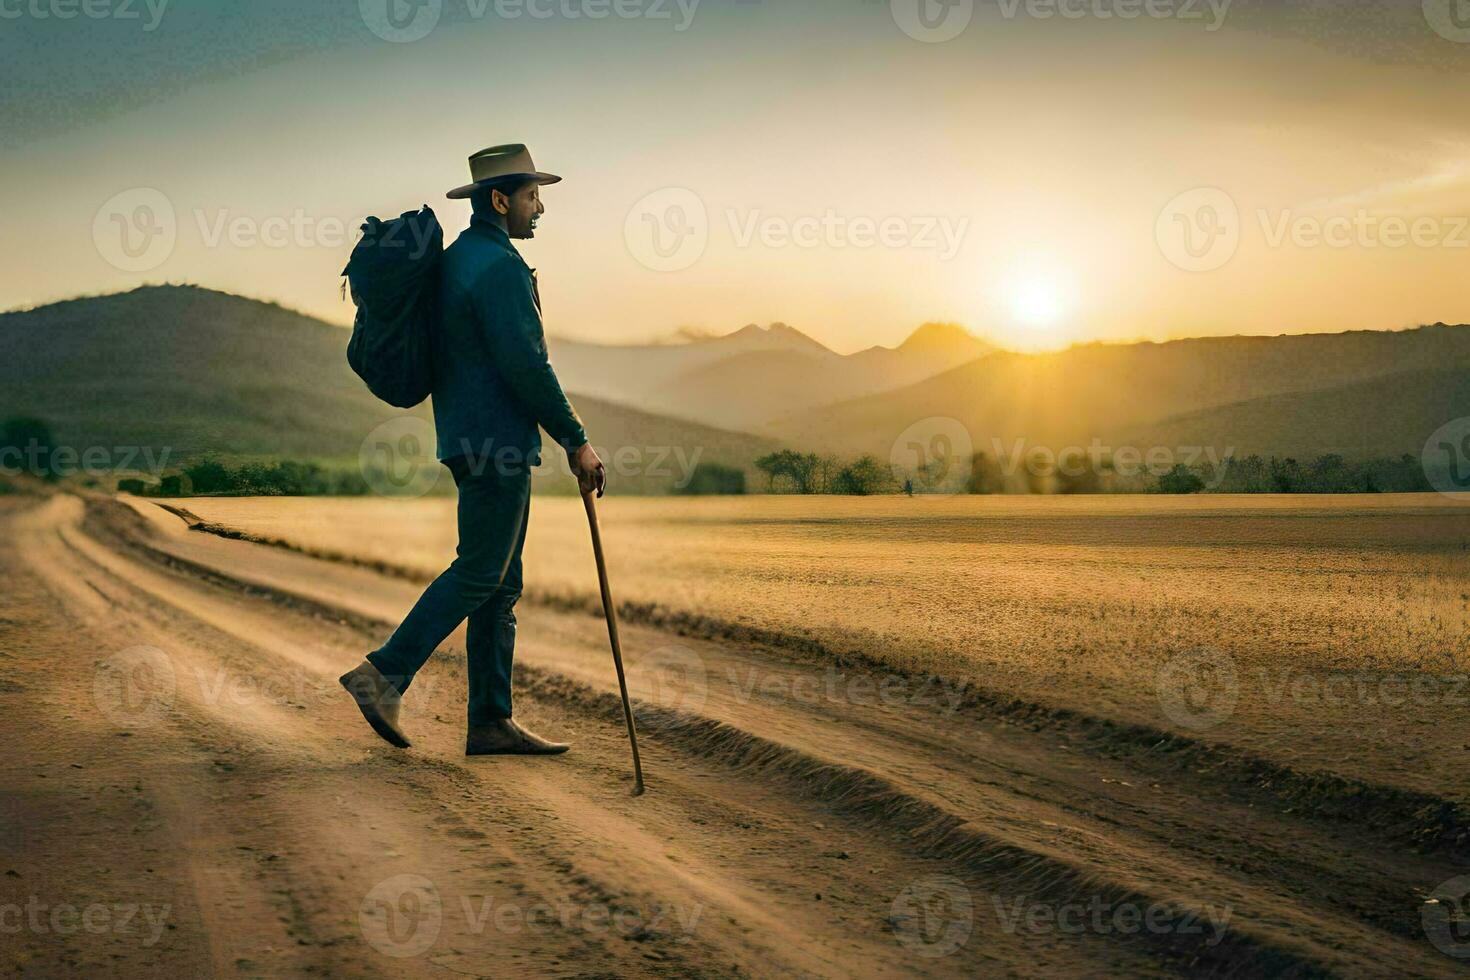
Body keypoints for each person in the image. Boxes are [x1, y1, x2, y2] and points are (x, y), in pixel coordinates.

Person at [340, 144, 605, 756]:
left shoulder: (457, 261)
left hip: (465, 438)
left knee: (499, 584)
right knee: (481, 571)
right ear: (499, 199)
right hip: (498, 444)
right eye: (532, 196)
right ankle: (381, 676)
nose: (539, 208)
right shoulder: (499, 267)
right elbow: (527, 365)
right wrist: (576, 440)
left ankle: (490, 720)